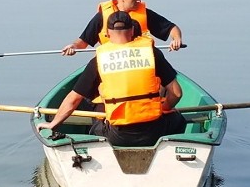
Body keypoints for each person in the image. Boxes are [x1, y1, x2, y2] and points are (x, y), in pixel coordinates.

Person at [40, 11, 187, 147]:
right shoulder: (151, 53)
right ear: (132, 31)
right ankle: (167, 150)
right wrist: (165, 108)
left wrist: (53, 124)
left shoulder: (101, 59)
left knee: (96, 124)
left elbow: (73, 99)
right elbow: (177, 93)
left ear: (108, 34)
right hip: (153, 131)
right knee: (178, 119)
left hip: (117, 135)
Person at [61, 0, 183, 55]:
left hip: (140, 62)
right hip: (109, 64)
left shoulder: (145, 13)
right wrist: (73, 47)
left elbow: (172, 28)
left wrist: (176, 39)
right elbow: (82, 42)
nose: (138, 0)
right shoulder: (102, 16)